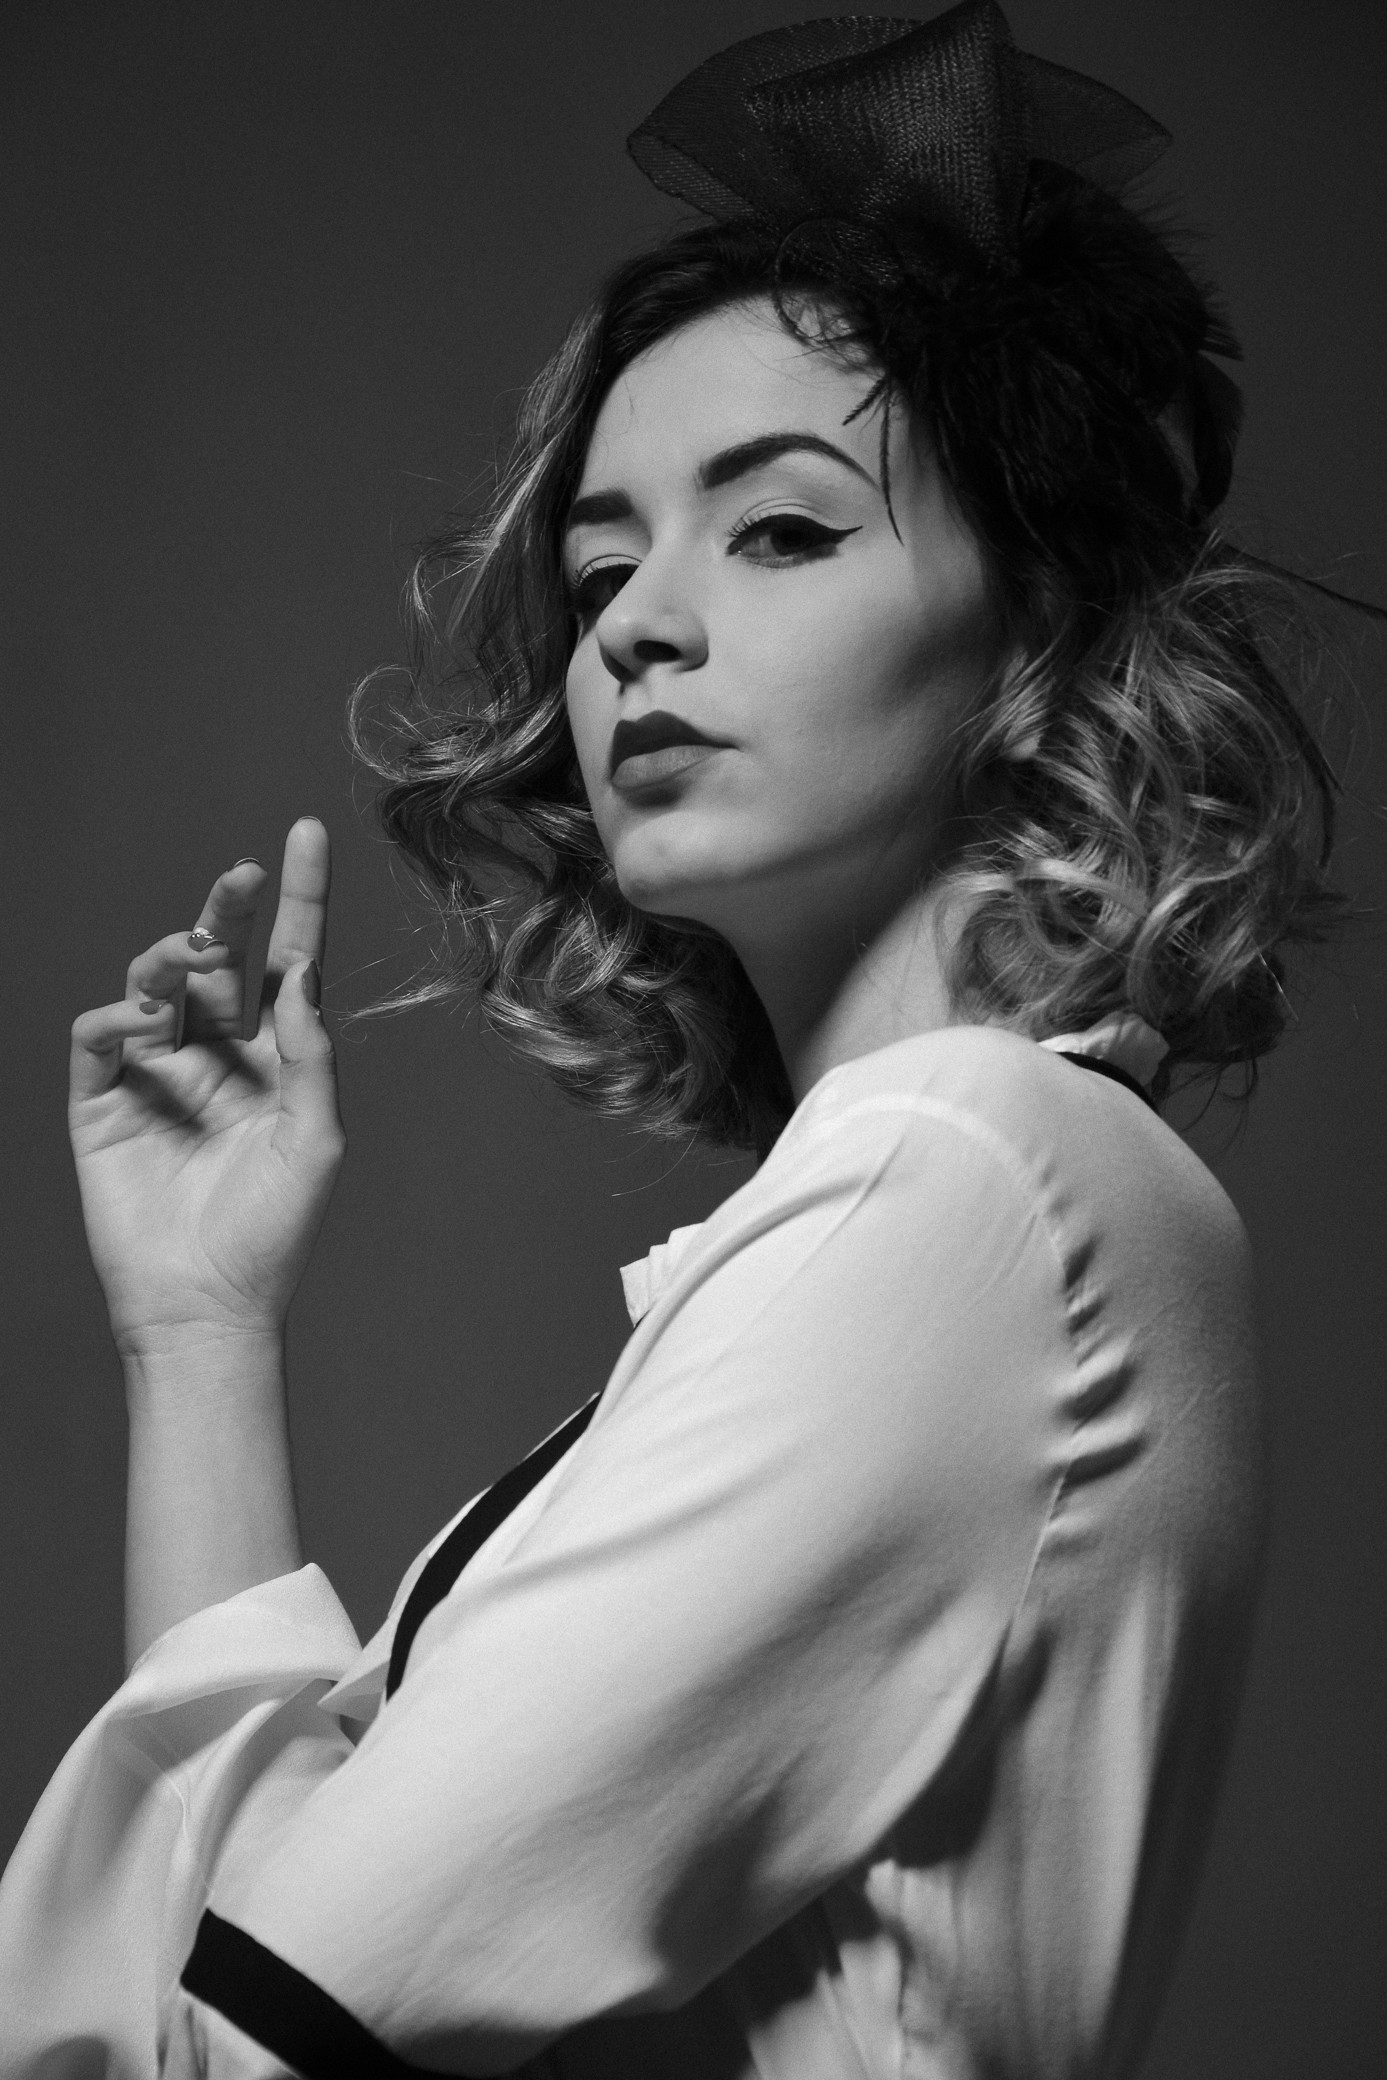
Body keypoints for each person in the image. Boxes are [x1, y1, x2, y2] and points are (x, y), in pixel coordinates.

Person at [0, 5, 1347, 2074]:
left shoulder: (968, 1178)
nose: (633, 620)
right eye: (603, 559)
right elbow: (248, 1977)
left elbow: (245, 2039)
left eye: (782, 527)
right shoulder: (997, 1198)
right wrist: (200, 1327)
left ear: (1038, 629)